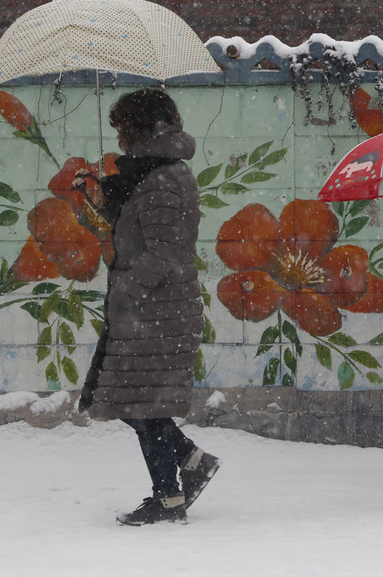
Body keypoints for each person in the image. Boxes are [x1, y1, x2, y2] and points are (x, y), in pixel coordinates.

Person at [78, 88, 220, 525]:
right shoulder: (152, 173)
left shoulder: (162, 178)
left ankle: (171, 496)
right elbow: (141, 233)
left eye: (122, 129)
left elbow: (165, 253)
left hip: (157, 310)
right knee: (135, 402)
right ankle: (189, 466)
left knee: (141, 405)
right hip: (150, 309)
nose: (118, 139)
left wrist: (124, 291)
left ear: (140, 129)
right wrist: (105, 203)